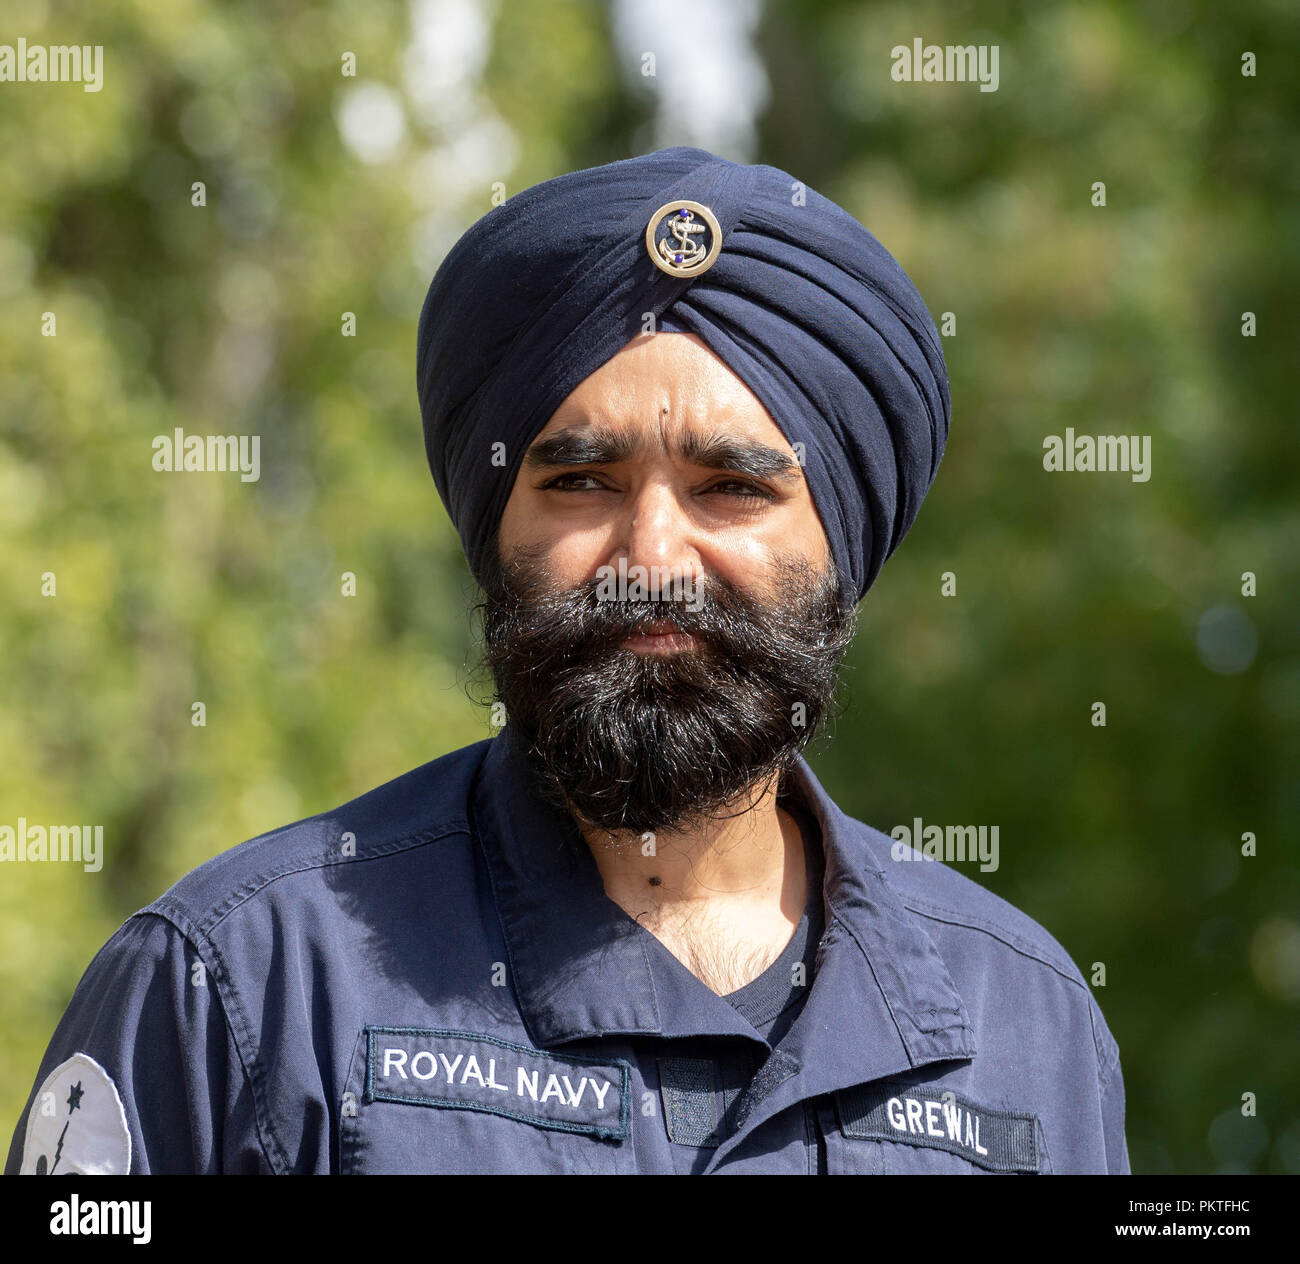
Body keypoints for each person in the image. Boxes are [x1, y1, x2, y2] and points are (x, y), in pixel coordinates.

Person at [7, 146, 1128, 1174]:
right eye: (581, 482)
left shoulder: (1021, 1027)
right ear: (495, 527)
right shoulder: (247, 984)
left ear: (841, 544)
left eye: (731, 487)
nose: (649, 554)